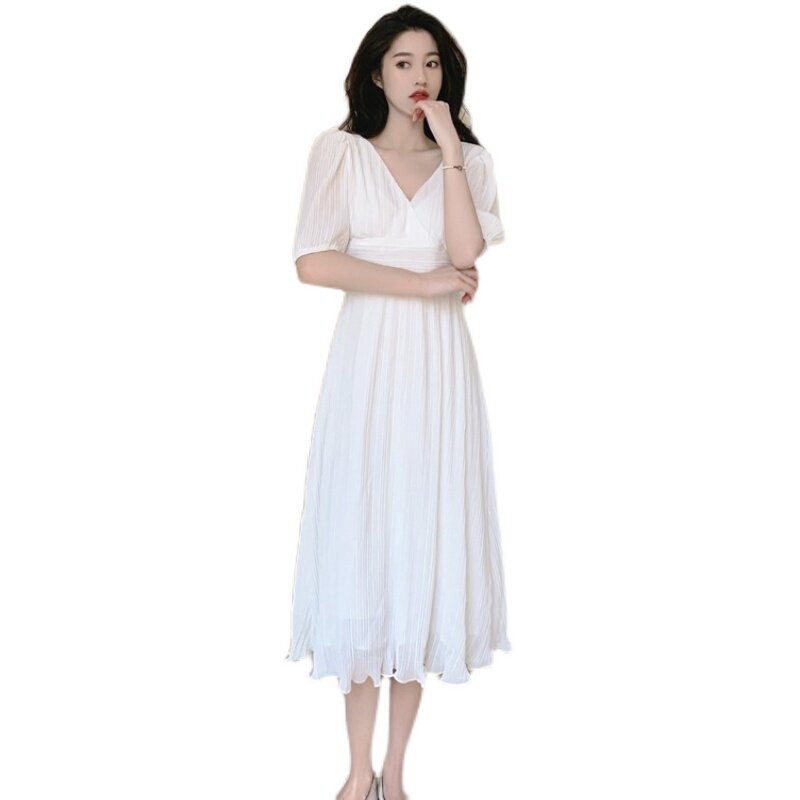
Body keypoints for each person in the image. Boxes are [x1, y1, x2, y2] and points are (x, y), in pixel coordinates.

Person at [284, 6, 511, 800]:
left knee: (422, 544)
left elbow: (465, 252)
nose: (420, 76)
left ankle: (399, 773)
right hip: (370, 362)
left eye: (432, 62)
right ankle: (356, 773)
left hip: (439, 368)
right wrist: (419, 284)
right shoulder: (340, 153)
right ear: (375, 73)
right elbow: (313, 262)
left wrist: (449, 151)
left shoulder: (468, 161)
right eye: (404, 61)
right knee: (363, 544)